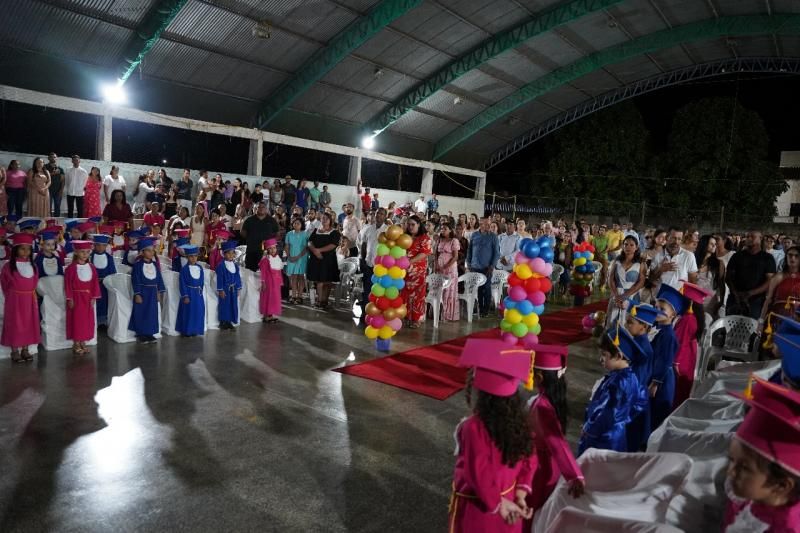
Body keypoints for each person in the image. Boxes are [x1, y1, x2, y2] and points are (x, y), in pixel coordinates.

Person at [450, 339, 535, 532]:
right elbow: (531, 460)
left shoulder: (473, 428)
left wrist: (498, 504)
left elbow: (478, 473)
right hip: (512, 503)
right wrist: (520, 495)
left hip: (481, 509)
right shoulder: (521, 423)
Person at [723, 376, 800, 532]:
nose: (730, 471)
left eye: (744, 468)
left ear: (781, 485)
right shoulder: (753, 498)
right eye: (731, 460)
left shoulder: (785, 528)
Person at [524, 344, 585, 515]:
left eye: (531, 372)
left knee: (533, 506)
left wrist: (574, 475)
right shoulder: (549, 399)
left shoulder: (543, 406)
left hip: (540, 467)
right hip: (545, 461)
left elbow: (557, 442)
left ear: (540, 377)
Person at [578, 326, 648, 454]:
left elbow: (608, 413)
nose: (601, 359)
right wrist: (624, 419)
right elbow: (640, 403)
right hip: (616, 432)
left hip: (604, 438)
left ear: (619, 355)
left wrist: (590, 428)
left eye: (604, 355)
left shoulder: (620, 382)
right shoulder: (629, 376)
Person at [624, 302, 660, 451]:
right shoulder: (638, 342)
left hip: (635, 395)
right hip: (636, 392)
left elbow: (639, 377)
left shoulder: (643, 350)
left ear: (643, 327)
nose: (627, 325)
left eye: (630, 322)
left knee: (633, 435)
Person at [1, 234, 41, 362]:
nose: (26, 252)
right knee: (15, 323)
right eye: (22, 249)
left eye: (28, 249)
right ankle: (14, 350)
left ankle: (25, 349)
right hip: (15, 300)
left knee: (29, 323)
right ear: (15, 250)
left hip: (29, 299)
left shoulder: (33, 266)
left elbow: (35, 282)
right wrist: (13, 295)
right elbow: (5, 284)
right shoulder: (8, 267)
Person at [649, 283, 683, 433]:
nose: (657, 311)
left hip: (662, 378)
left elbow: (664, 360)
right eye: (656, 307)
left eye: (662, 309)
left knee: (658, 410)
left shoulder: (668, 335)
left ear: (672, 315)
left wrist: (655, 383)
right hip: (656, 373)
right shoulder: (658, 329)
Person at [672, 282, 711, 408]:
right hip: (689, 356)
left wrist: (676, 362)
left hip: (682, 359)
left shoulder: (687, 319)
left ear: (689, 303)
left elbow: (681, 342)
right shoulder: (695, 317)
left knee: (677, 391)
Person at [727, 230, 777, 320]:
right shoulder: (737, 256)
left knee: (752, 329)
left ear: (760, 239)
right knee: (729, 326)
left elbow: (770, 281)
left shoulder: (767, 258)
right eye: (748, 236)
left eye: (752, 237)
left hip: (756, 300)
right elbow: (729, 277)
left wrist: (751, 293)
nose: (749, 239)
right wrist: (735, 293)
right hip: (735, 298)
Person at [64, 240, 101, 355]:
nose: (85, 254)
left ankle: (83, 341)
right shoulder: (71, 268)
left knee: (86, 321)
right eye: (82, 252)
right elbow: (67, 285)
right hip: (77, 298)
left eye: (87, 252)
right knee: (77, 321)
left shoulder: (92, 267)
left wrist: (94, 297)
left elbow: (95, 283)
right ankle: (76, 343)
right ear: (76, 252)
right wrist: (69, 298)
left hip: (88, 297)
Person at [128, 237, 164, 344]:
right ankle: (141, 333)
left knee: (152, 313)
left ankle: (150, 333)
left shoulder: (154, 265)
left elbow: (159, 279)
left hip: (153, 292)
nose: (151, 252)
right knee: (141, 313)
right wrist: (137, 293)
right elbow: (135, 280)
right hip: (143, 292)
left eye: (152, 250)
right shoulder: (138, 266)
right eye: (148, 250)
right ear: (142, 252)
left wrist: (158, 292)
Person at [606, 235, 646, 325]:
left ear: (636, 247)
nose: (628, 247)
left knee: (628, 321)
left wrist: (626, 295)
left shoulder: (640, 262)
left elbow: (641, 281)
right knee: (612, 320)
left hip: (632, 295)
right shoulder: (617, 260)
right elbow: (611, 278)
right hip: (616, 294)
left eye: (631, 245)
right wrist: (616, 295)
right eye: (626, 244)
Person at [648, 227, 698, 294]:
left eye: (679, 239)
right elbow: (651, 280)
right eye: (673, 238)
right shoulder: (657, 256)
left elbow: (693, 281)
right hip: (658, 298)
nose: (676, 242)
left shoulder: (689, 256)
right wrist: (660, 269)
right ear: (667, 238)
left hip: (678, 299)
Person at [402, 215, 432, 328]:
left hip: (418, 271)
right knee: (404, 294)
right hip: (404, 271)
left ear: (419, 225)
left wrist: (410, 261)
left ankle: (416, 319)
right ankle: (405, 316)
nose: (410, 227)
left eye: (413, 224)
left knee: (417, 296)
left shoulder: (425, 238)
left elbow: (425, 253)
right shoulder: (405, 236)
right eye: (408, 224)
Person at [307, 212, 340, 311]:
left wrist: (319, 250)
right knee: (319, 281)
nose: (324, 220)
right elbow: (309, 242)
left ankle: (325, 300)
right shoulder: (316, 230)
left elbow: (333, 245)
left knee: (327, 281)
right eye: (323, 218)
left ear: (330, 220)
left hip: (328, 259)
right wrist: (314, 250)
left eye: (326, 218)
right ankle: (319, 301)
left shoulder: (334, 232)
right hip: (317, 258)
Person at [467, 217, 499, 318]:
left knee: (486, 288)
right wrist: (469, 263)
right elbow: (470, 250)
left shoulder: (493, 236)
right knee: (479, 289)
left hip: (487, 267)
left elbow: (496, 253)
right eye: (486, 224)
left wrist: (492, 266)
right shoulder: (474, 235)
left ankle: (486, 310)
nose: (488, 226)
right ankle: (480, 308)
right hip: (475, 266)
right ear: (480, 224)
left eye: (489, 224)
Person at [762, 246, 800, 324]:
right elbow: (768, 300)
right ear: (786, 257)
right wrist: (761, 321)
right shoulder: (779, 277)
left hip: (797, 320)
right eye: (790, 255)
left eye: (796, 256)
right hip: (777, 318)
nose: (792, 258)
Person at [174, 244, 205, 337]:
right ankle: (187, 331)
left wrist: (200, 290)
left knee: (198, 312)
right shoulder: (184, 270)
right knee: (188, 313)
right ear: (187, 257)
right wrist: (185, 295)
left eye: (195, 256)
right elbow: (182, 283)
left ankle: (195, 329)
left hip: (198, 294)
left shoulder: (200, 268)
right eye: (191, 256)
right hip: (189, 294)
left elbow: (202, 280)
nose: (194, 258)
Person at [241, 201, 279, 271]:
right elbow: (243, 233)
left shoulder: (272, 220)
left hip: (268, 252)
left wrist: (271, 244)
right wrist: (252, 238)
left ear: (266, 209)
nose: (261, 209)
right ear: (255, 209)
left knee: (267, 273)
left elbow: (277, 233)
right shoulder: (249, 220)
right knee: (250, 272)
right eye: (259, 207)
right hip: (252, 251)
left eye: (263, 207)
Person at [695, 235, 726, 318]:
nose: (714, 246)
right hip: (694, 298)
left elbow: (721, 283)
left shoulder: (719, 263)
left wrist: (721, 302)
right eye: (711, 243)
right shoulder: (694, 259)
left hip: (709, 300)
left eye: (715, 244)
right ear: (704, 244)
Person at [435, 223, 460, 322]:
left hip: (450, 268)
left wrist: (445, 266)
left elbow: (455, 256)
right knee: (439, 289)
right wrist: (436, 265)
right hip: (440, 267)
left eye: (445, 229)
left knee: (448, 290)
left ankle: (447, 314)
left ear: (450, 230)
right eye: (441, 228)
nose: (442, 230)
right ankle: (438, 312)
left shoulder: (454, 240)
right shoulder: (439, 240)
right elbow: (436, 254)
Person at [91, 233, 116, 326]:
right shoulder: (90, 256)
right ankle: (94, 319)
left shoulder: (109, 258)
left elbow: (113, 272)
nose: (100, 248)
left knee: (105, 302)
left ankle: (103, 320)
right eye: (98, 245)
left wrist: (105, 280)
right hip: (93, 286)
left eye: (103, 245)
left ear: (106, 246)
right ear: (94, 245)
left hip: (105, 285)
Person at [216, 240, 242, 330]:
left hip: (233, 289)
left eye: (232, 253)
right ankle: (223, 321)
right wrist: (221, 290)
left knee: (232, 304)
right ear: (224, 254)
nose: (231, 255)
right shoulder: (221, 266)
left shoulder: (236, 266)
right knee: (224, 305)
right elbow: (219, 278)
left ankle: (230, 321)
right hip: (225, 289)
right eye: (228, 253)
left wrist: (238, 288)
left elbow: (237, 277)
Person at [284, 218, 309, 305]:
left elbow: (306, 248)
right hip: (291, 257)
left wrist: (297, 257)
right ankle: (293, 296)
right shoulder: (289, 234)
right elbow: (286, 246)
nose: (296, 225)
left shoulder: (305, 234)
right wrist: (289, 256)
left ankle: (300, 296)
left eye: (298, 223)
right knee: (293, 277)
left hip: (302, 258)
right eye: (294, 223)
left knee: (301, 277)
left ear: (302, 225)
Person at [259, 238, 283, 323]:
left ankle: (271, 314)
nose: (273, 250)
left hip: (275, 282)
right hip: (269, 282)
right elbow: (263, 272)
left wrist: (280, 281)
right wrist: (263, 282)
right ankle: (266, 316)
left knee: (274, 298)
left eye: (274, 248)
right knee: (268, 298)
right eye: (270, 248)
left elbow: (279, 271)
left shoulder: (277, 258)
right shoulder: (266, 260)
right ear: (267, 249)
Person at [45, 153, 64, 218]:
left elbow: (63, 180)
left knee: (57, 206)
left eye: (54, 157)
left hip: (58, 191)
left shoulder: (60, 168)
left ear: (56, 158)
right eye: (51, 157)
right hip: (48, 190)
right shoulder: (45, 167)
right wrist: (53, 173)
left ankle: (57, 220)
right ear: (48, 158)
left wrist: (61, 190)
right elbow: (43, 177)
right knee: (48, 207)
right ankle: (49, 220)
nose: (53, 158)